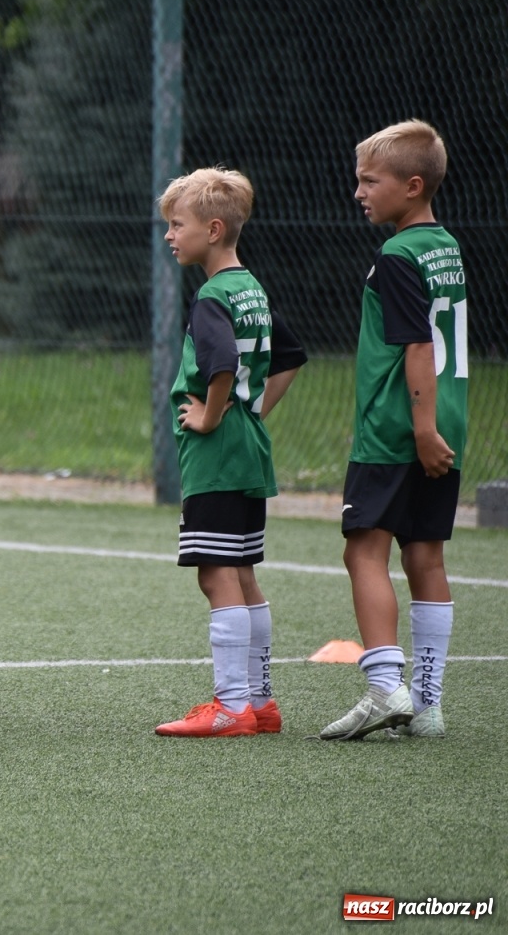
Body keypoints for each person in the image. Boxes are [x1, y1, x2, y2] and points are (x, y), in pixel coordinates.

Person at [321, 119, 468, 741]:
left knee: (363, 549)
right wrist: (435, 427)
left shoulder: (398, 254)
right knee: (425, 555)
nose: (359, 191)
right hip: (446, 420)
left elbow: (416, 345)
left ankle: (385, 688)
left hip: (397, 427)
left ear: (412, 186)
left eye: (370, 180)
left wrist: (420, 427)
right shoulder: (445, 246)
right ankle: (427, 706)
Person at [152, 167, 306, 738]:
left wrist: (213, 415)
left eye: (178, 225)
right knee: (242, 572)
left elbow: (220, 365)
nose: (170, 235)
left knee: (215, 575)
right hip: (250, 450)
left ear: (213, 230)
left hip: (216, 456)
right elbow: (290, 356)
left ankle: (231, 707)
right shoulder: (251, 289)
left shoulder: (211, 297)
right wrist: (252, 410)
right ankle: (260, 703)